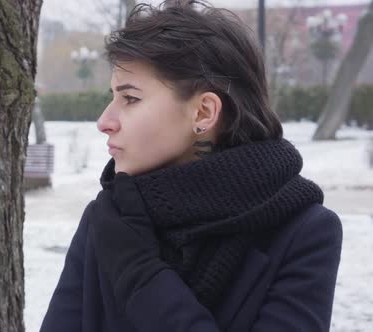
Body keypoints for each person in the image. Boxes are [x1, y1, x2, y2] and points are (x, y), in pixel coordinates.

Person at [40, 1, 343, 331]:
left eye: (130, 99)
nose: (104, 121)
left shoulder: (304, 233)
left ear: (203, 113)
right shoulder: (108, 218)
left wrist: (139, 272)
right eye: (112, 96)